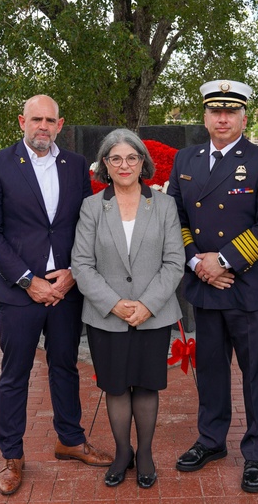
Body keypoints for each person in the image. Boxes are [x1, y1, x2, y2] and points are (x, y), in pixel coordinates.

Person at [0, 95, 113, 496]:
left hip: (66, 288)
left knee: (65, 365)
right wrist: (26, 279)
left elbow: (83, 224)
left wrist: (72, 273)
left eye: (50, 120)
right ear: (22, 121)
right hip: (19, 290)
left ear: (60, 124)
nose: (43, 126)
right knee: (15, 373)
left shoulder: (73, 166)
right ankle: (12, 456)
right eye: (36, 119)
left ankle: (70, 439)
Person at [167, 80, 258, 494]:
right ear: (204, 116)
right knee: (212, 370)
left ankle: (256, 455)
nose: (222, 118)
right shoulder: (185, 159)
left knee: (255, 373)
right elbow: (176, 218)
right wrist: (196, 263)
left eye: (231, 111)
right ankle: (211, 440)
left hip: (247, 286)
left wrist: (222, 261)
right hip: (205, 285)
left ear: (243, 117)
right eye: (215, 111)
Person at [71, 128, 185, 489]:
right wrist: (115, 304)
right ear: (105, 163)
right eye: (116, 158)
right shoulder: (92, 206)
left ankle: (146, 453)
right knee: (116, 388)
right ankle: (123, 453)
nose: (124, 165)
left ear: (142, 162)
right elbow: (82, 264)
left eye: (132, 157)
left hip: (154, 315)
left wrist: (148, 305)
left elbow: (174, 262)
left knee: (147, 386)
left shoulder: (164, 204)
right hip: (108, 315)